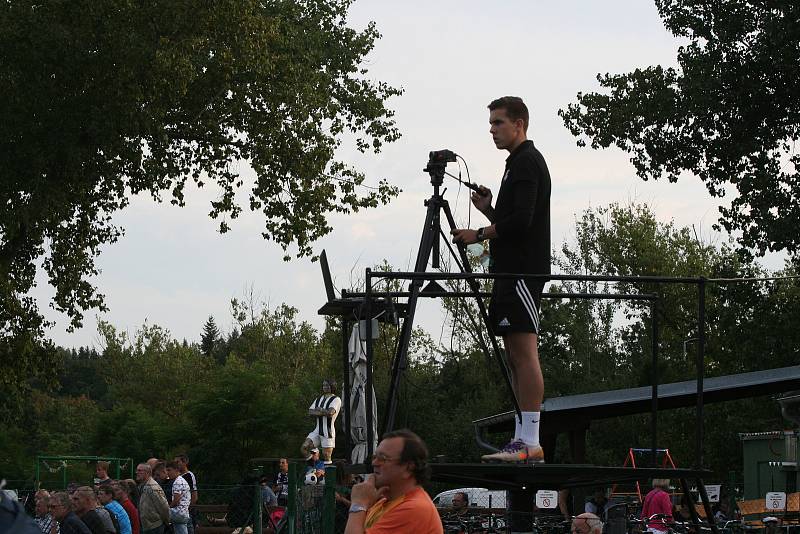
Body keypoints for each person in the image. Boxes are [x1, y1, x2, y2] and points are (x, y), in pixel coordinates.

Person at [451, 96, 551, 463]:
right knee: (514, 356)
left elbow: (523, 222)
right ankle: (522, 437)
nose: (492, 130)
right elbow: (514, 222)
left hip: (523, 271)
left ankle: (530, 441)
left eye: (498, 123)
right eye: (491, 123)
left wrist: (480, 231)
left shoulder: (526, 162)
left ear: (519, 124)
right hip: (510, 270)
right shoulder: (516, 164)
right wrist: (489, 210)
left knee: (525, 355)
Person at [344, 429, 442, 534]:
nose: (374, 463)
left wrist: (359, 504)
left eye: (382, 458)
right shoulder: (384, 503)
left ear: (408, 468)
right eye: (374, 457)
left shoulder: (414, 509)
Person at [301, 379, 342, 464]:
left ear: (332, 386)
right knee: (304, 448)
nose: (325, 387)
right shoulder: (319, 399)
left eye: (327, 385)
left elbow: (331, 413)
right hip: (317, 430)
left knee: (326, 455)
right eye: (324, 385)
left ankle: (328, 476)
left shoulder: (336, 399)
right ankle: (315, 467)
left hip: (328, 431)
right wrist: (323, 411)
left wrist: (320, 410)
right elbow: (310, 412)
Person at [135, 463, 170, 534]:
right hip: (147, 525)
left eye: (139, 471)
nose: (137, 473)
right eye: (137, 470)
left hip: (154, 526)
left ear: (147, 473)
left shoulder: (152, 487)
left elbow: (164, 507)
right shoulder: (142, 485)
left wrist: (167, 522)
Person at [173, 455, 197, 534]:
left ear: (185, 462)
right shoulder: (176, 476)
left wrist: (189, 508)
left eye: (178, 462)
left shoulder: (189, 475)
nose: (176, 464)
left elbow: (194, 494)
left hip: (186, 509)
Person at [165, 461, 190, 534]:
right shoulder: (181, 480)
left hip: (178, 513)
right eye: (166, 470)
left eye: (169, 470)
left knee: (157, 515)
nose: (167, 473)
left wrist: (167, 508)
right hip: (184, 513)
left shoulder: (177, 482)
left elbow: (176, 500)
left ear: (176, 470)